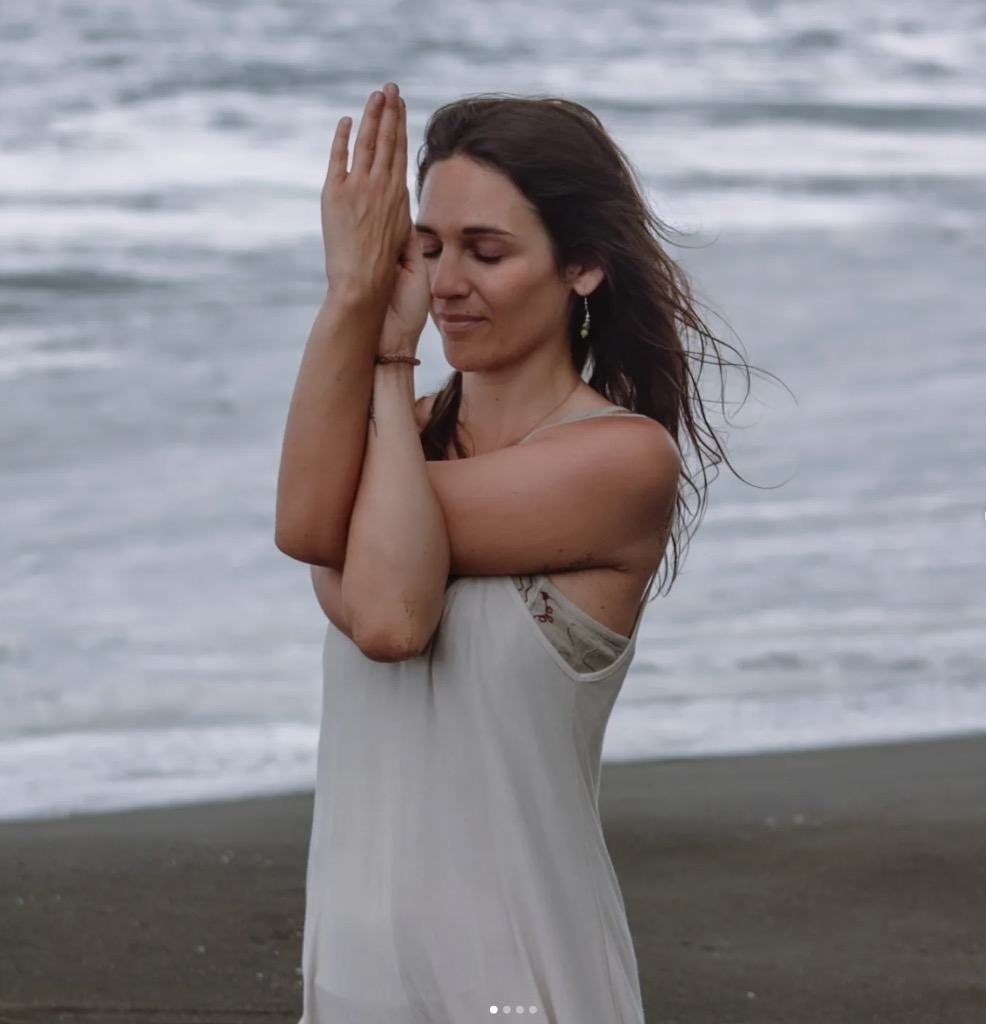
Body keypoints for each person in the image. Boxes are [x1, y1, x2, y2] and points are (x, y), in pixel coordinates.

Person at [275, 81, 757, 1024]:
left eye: (486, 252)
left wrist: (386, 363)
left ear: (583, 265)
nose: (444, 283)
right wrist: (351, 293)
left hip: (524, 978)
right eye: (425, 248)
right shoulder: (387, 451)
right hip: (353, 976)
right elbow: (304, 526)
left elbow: (388, 613)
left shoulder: (619, 462)